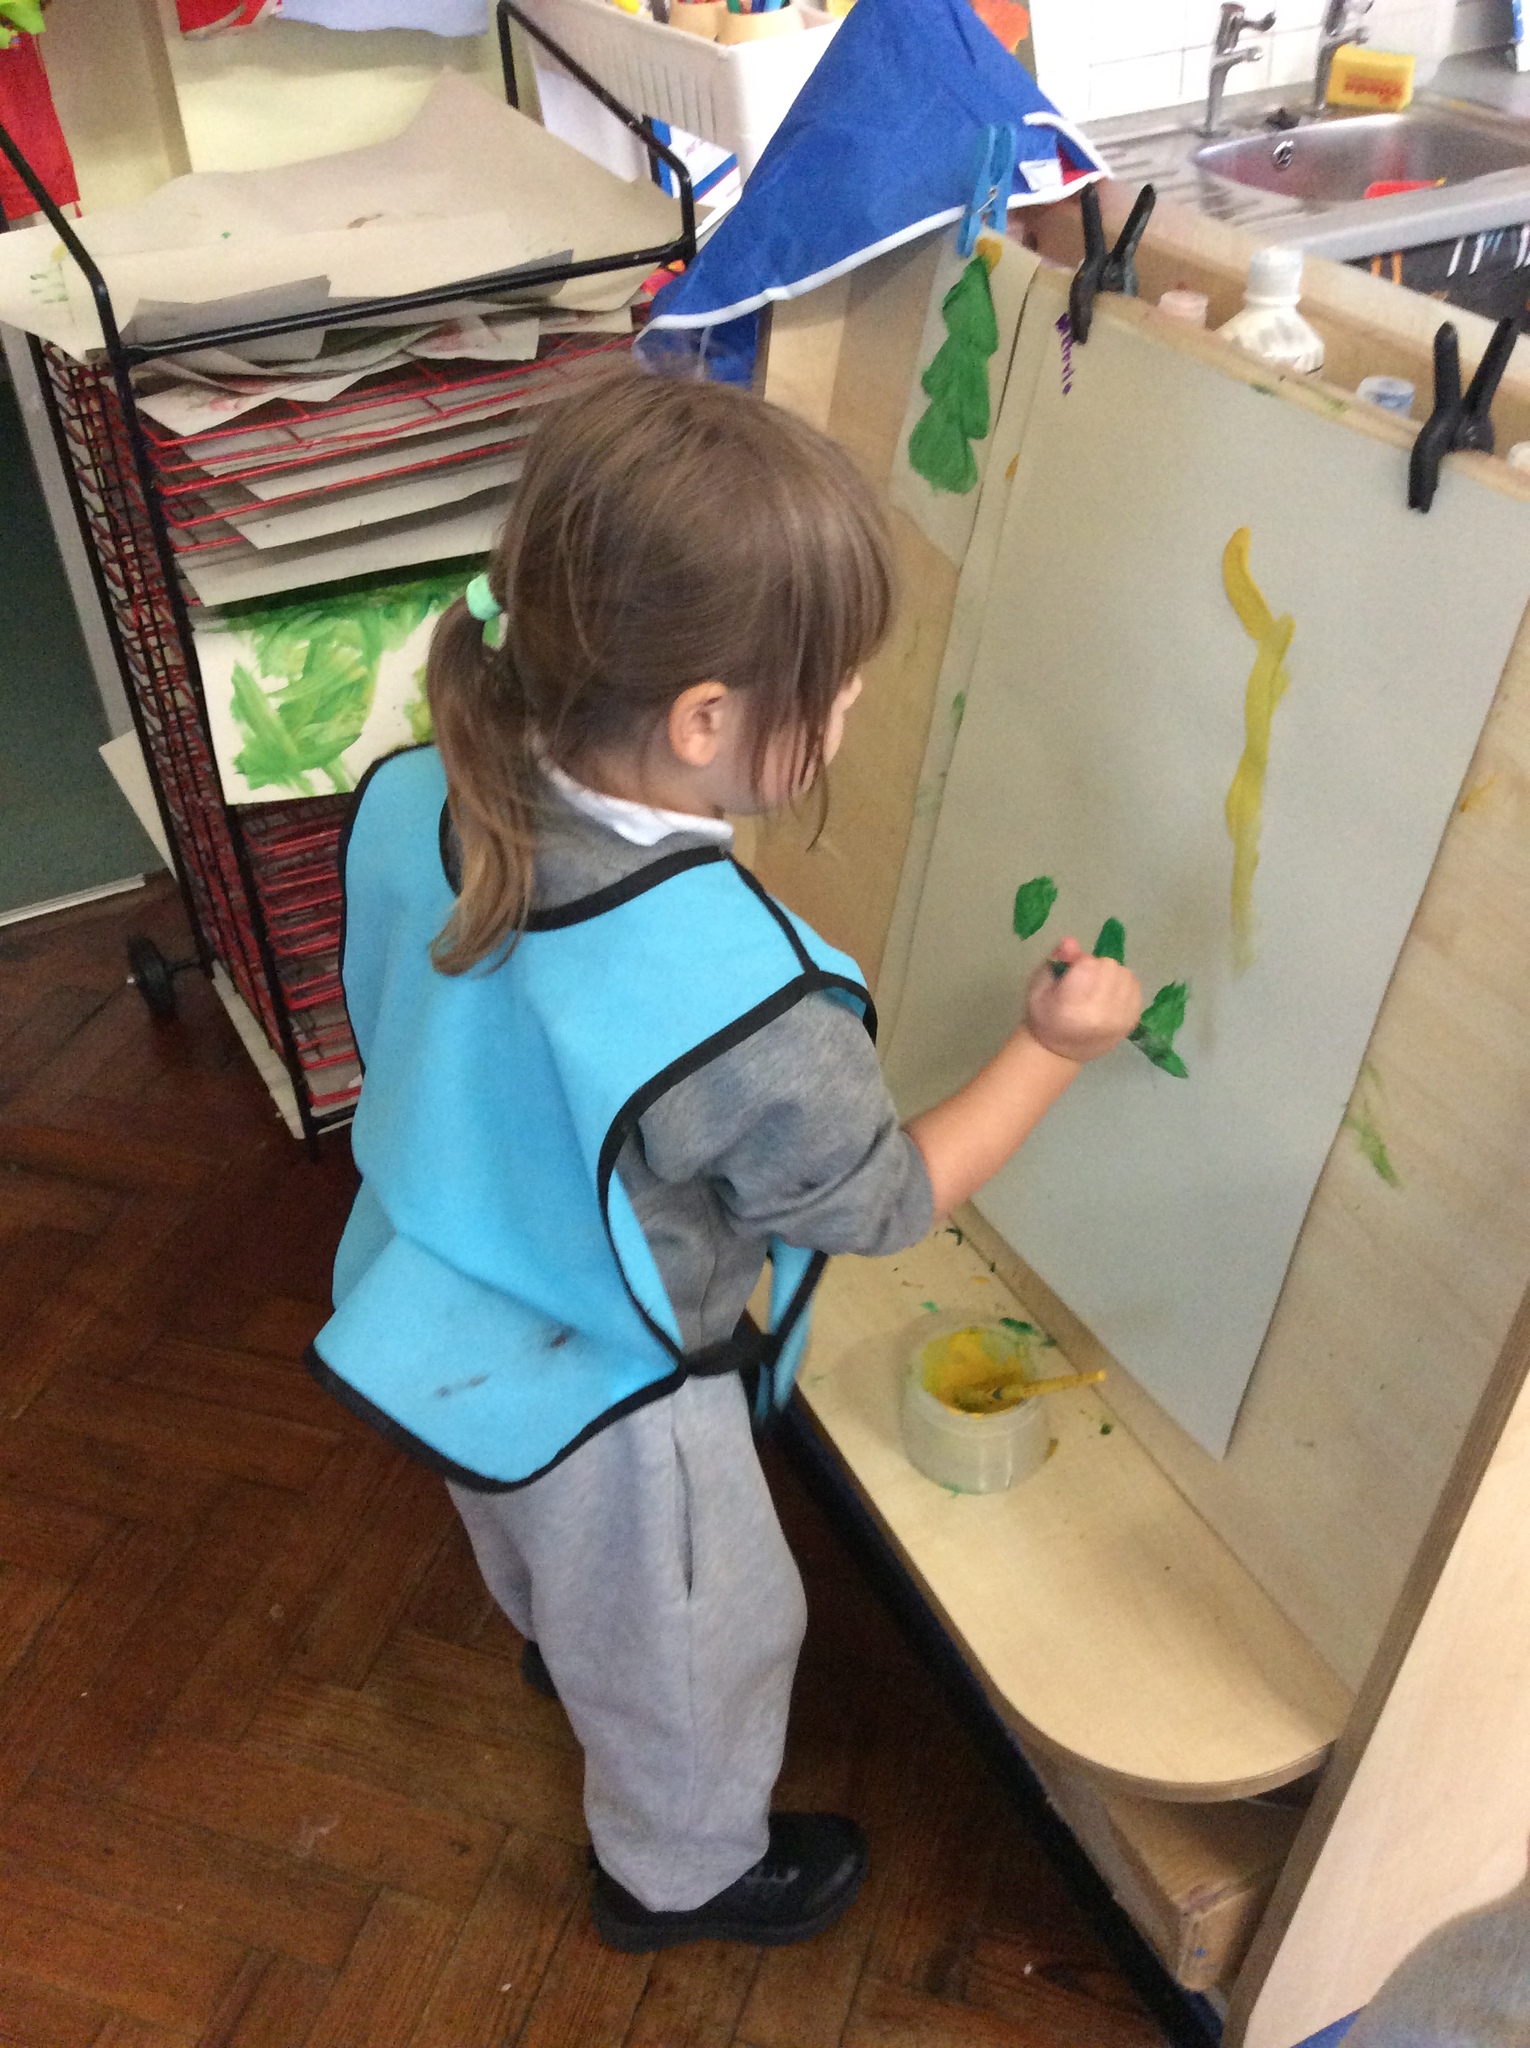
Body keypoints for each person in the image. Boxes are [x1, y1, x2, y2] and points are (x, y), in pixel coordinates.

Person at [308, 368, 1141, 1954]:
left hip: (423, 1292)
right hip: (612, 1392)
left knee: (532, 1541)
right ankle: (674, 1872)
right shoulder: (747, 1005)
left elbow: (401, 1013)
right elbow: (881, 1202)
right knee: (703, 1644)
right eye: (835, 692)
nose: (849, 713)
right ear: (703, 722)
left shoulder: (421, 785)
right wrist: (1049, 1049)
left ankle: (567, 1644)